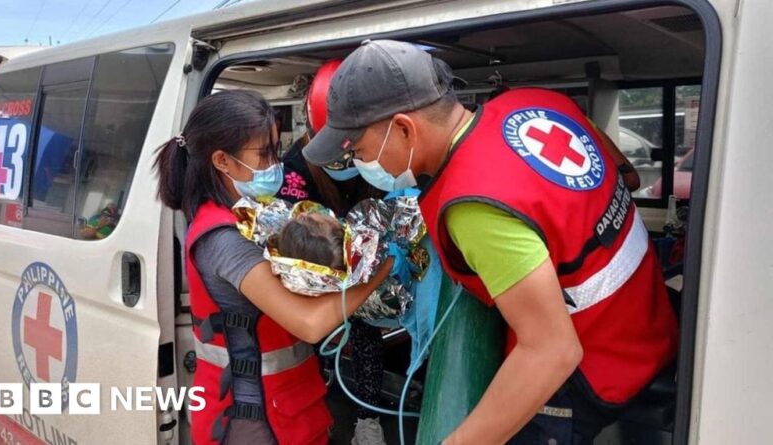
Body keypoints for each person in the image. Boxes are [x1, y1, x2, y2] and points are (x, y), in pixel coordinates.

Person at [303, 40, 679, 445]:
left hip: (594, 368)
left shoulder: (473, 206)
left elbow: (551, 351)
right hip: (651, 320)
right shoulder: (535, 102)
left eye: (358, 150)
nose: (361, 163)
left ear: (403, 128)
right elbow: (626, 177)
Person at [154, 90, 390, 445]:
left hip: (288, 408)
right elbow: (310, 324)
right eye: (264, 154)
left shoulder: (251, 215)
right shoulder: (222, 237)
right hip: (250, 420)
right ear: (222, 160)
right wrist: (384, 267)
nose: (275, 164)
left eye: (275, 151)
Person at [276, 60, 390, 445]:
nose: (348, 161)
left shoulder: (376, 157)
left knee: (366, 328)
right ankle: (319, 401)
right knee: (315, 338)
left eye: (354, 150)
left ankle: (367, 418)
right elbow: (296, 233)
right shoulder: (294, 172)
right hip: (315, 263)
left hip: (363, 260)